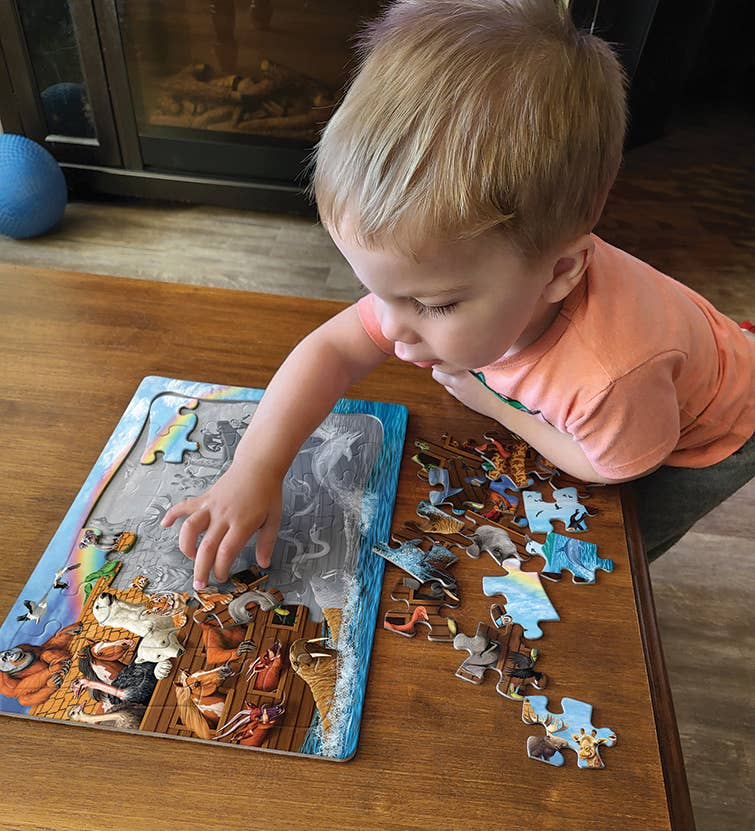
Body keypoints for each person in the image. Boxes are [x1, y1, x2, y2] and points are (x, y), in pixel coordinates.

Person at [162, 0, 754, 589]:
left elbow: (609, 465)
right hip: (651, 375)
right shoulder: (459, 272)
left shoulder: (610, 377)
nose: (391, 328)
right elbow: (331, 351)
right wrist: (253, 469)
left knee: (621, 558)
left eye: (436, 305)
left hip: (713, 431)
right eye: (375, 290)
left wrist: (490, 402)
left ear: (558, 273)